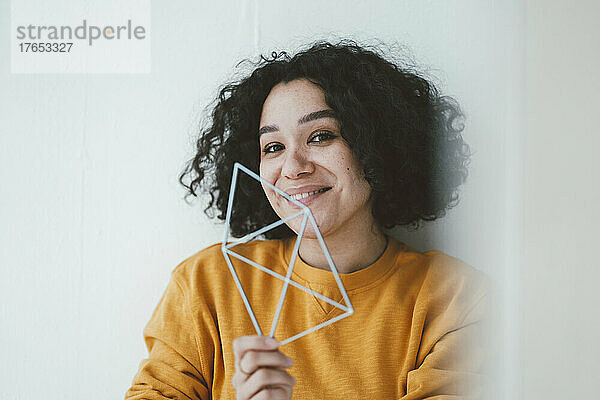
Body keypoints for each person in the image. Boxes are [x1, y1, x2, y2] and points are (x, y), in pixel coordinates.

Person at [125, 39, 492, 400]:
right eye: (273, 147)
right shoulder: (205, 284)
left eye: (320, 136)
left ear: (375, 146)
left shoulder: (456, 297)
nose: (293, 167)